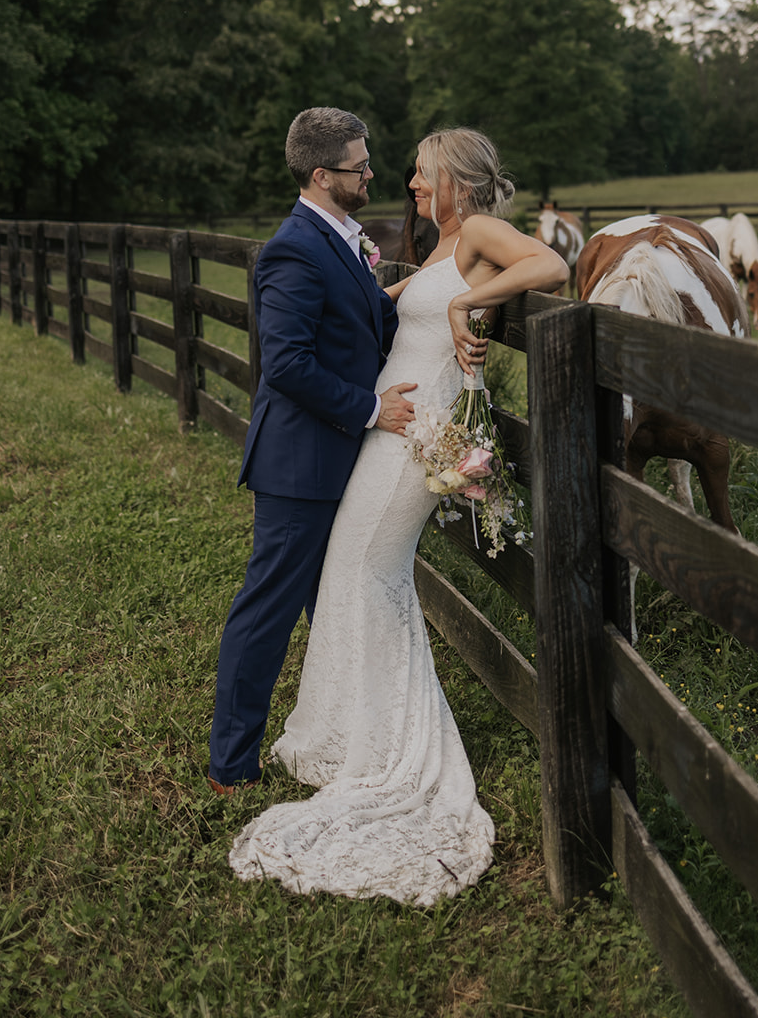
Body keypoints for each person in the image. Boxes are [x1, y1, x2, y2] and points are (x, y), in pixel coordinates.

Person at [227, 127, 569, 905]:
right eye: (407, 172)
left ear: (457, 178)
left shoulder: (477, 230)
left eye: (421, 174)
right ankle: (349, 735)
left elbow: (550, 263)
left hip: (414, 431)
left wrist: (466, 302)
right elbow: (376, 313)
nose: (408, 184)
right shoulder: (442, 241)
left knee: (364, 571)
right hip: (392, 424)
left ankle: (389, 753)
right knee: (352, 573)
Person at [208, 107, 416, 794]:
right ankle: (230, 766)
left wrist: (431, 293)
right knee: (266, 613)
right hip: (300, 466)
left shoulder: (337, 239)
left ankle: (340, 738)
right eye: (361, 166)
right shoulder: (294, 247)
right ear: (324, 175)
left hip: (333, 461)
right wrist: (370, 409)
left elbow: (356, 317)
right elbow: (287, 364)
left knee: (332, 608)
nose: (372, 174)